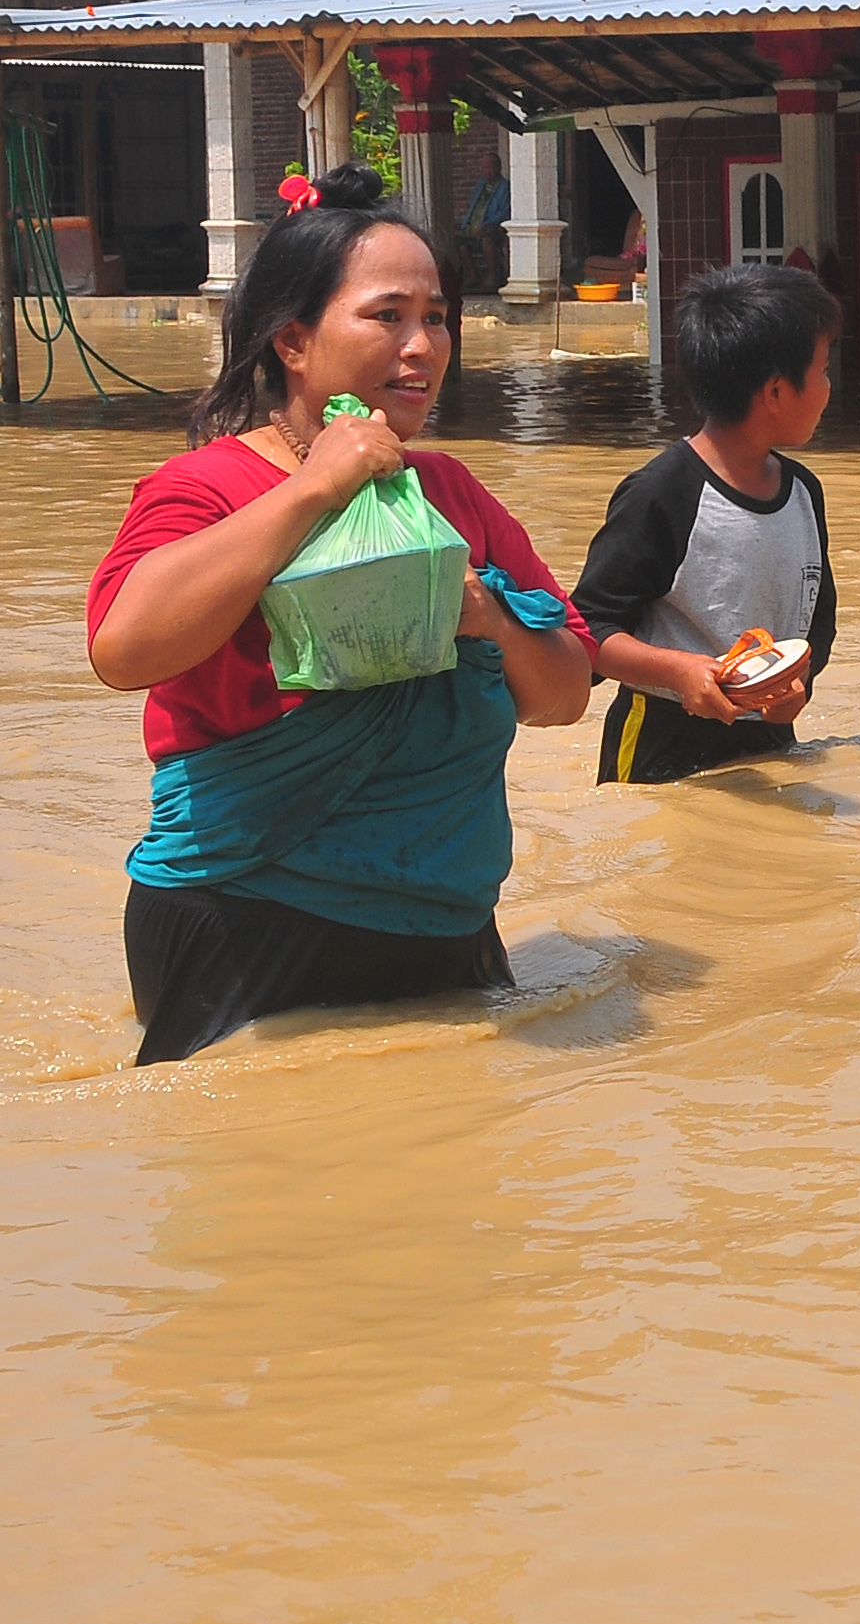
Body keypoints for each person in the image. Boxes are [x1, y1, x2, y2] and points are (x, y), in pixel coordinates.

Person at [85, 166, 594, 1063]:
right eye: (387, 316)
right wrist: (313, 488)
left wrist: (486, 618)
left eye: (437, 317)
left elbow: (565, 695)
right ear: (292, 340)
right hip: (242, 918)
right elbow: (123, 650)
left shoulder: (451, 493)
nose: (422, 346)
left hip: (444, 923)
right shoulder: (207, 487)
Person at [572, 262, 840, 785]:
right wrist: (679, 672)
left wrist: (797, 688)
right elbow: (587, 631)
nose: (829, 389)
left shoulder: (804, 494)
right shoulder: (661, 494)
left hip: (769, 748)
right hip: (654, 750)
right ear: (776, 393)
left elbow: (818, 624)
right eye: (823, 371)